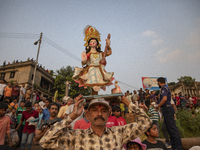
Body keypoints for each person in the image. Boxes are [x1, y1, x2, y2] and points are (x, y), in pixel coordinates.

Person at [39, 94, 152, 149]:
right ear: (87, 114)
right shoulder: (76, 136)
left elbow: (146, 122)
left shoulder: (118, 133)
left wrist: (128, 103)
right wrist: (71, 116)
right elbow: (45, 142)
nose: (99, 114)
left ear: (109, 114)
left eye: (103, 111)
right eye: (94, 110)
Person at [72, 25, 114, 92]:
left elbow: (109, 53)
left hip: (99, 69)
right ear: (88, 44)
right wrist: (84, 60)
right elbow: (84, 63)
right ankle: (94, 87)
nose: (93, 42)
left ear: (97, 44)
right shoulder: (88, 54)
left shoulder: (100, 53)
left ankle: (96, 88)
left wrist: (108, 46)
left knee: (99, 80)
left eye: (94, 41)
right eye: (91, 42)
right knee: (92, 77)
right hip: (91, 69)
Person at [156, 77, 182, 150]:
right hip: (166, 109)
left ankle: (178, 147)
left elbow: (164, 99)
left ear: (160, 82)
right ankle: (174, 146)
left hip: (167, 109)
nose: (158, 84)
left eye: (158, 82)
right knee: (170, 129)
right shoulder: (166, 88)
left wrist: (158, 106)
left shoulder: (164, 88)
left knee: (172, 129)